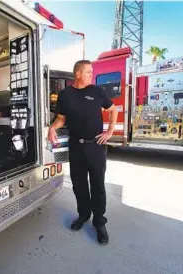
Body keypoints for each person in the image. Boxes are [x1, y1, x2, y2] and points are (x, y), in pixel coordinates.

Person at [48, 60, 118, 245]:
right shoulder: (65, 95)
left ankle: (99, 222)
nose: (91, 75)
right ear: (78, 74)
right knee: (79, 185)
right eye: (88, 72)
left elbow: (113, 109)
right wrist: (52, 128)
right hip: (75, 147)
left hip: (95, 145)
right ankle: (83, 215)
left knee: (97, 185)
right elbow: (61, 118)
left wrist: (110, 131)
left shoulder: (97, 92)